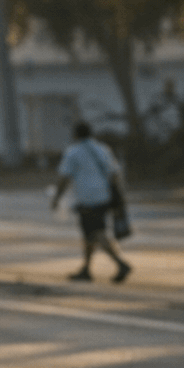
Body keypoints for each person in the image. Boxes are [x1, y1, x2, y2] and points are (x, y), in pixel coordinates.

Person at [51, 120, 132, 283]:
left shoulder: (73, 152)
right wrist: (120, 195)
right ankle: (86, 269)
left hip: (88, 198)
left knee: (96, 232)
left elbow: (64, 178)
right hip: (105, 196)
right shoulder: (102, 149)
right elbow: (115, 173)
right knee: (89, 234)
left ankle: (120, 263)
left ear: (75, 135)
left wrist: (57, 198)